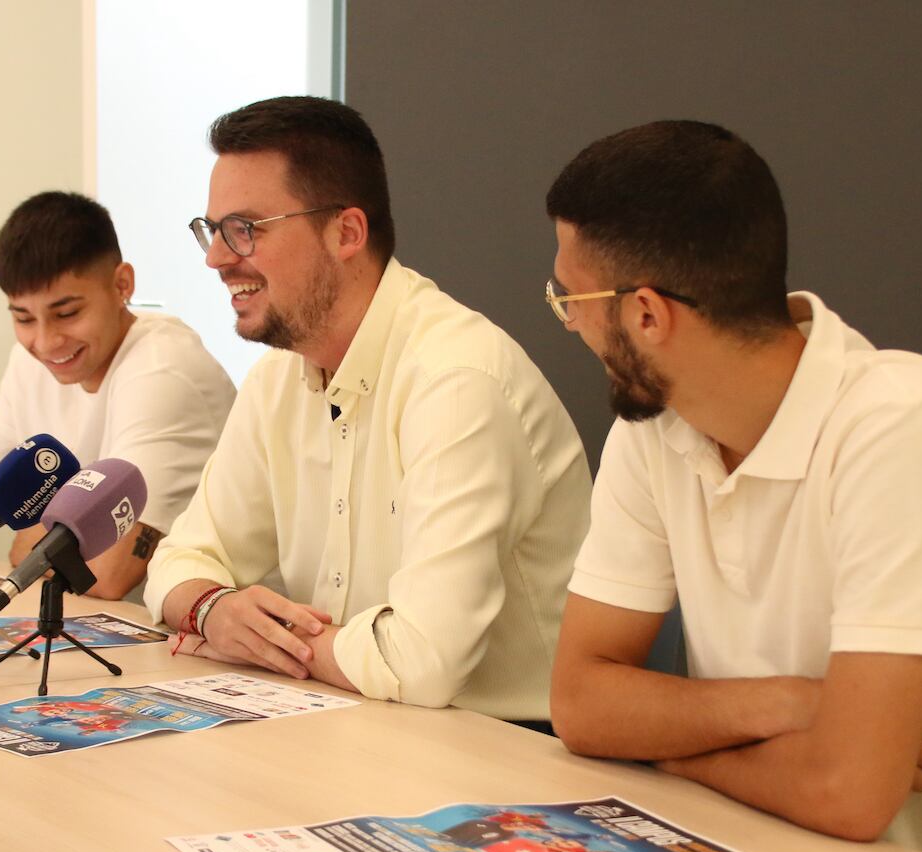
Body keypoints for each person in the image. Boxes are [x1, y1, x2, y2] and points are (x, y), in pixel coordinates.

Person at [546, 120, 922, 852]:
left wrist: (666, 743)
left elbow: (847, 793)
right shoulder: (655, 433)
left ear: (647, 314)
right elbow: (581, 704)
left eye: (571, 298)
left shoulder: (907, 429)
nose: (570, 321)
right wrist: (790, 705)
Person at [144, 96, 591, 725]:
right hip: (352, 716)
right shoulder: (277, 377)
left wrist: (274, 644)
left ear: (346, 233)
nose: (216, 258)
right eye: (210, 230)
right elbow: (178, 560)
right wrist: (212, 610)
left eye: (245, 229)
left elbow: (422, 662)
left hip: (502, 751)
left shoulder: (456, 379)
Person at [0, 192, 237, 599]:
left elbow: (106, 574)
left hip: (201, 634)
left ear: (122, 284)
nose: (46, 342)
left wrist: (24, 540)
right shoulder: (29, 361)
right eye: (23, 318)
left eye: (67, 314)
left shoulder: (164, 370)